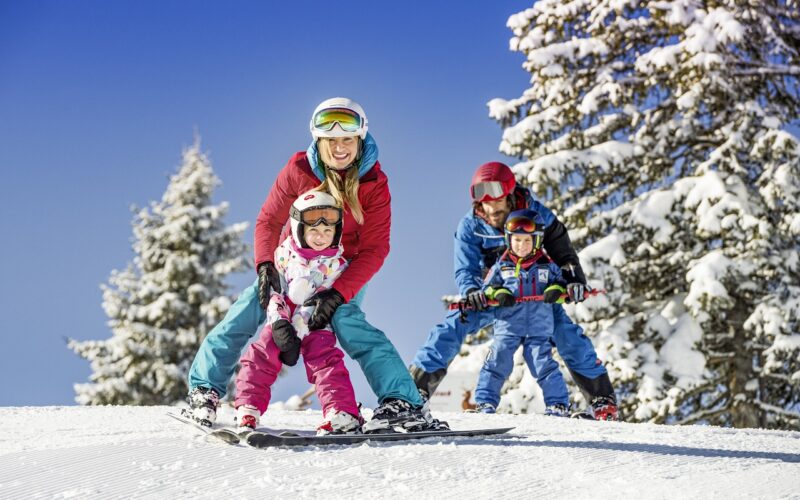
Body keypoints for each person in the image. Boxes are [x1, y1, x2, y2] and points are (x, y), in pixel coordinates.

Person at [188, 97, 441, 432]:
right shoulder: (298, 171)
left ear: (360, 140)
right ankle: (204, 387)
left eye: (347, 140)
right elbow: (268, 221)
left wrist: (337, 294)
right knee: (247, 311)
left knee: (349, 324)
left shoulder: (373, 185)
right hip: (291, 264)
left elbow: (375, 248)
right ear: (318, 141)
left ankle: (403, 402)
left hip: (339, 271)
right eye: (331, 140)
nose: (339, 148)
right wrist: (266, 267)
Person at [410, 161, 619, 421]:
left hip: (538, 295)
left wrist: (573, 280)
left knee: (568, 335)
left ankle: (602, 402)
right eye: (482, 198)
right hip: (497, 296)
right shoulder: (471, 226)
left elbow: (564, 253)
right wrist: (473, 291)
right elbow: (465, 268)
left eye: (496, 198)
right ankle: (412, 394)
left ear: (509, 193)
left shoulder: (537, 214)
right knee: (451, 326)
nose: (490, 207)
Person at [234, 190, 363, 435]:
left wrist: (300, 329)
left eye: (328, 231)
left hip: (315, 320)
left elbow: (322, 298)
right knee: (263, 352)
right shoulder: (283, 255)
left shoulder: (336, 265)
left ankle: (341, 412)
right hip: (282, 317)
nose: (320, 237)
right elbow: (276, 291)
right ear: (299, 228)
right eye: (314, 230)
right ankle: (248, 407)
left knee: (325, 360)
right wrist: (280, 323)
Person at [471, 209, 571, 417]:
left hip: (538, 327)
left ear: (536, 241)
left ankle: (558, 404)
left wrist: (556, 290)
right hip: (508, 326)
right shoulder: (502, 266)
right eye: (517, 240)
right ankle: (484, 403)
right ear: (509, 240)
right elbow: (487, 288)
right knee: (497, 360)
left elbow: (562, 284)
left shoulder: (547, 266)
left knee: (543, 364)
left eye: (527, 241)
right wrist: (498, 293)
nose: (521, 246)